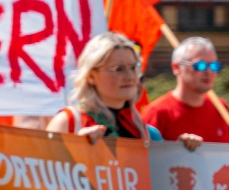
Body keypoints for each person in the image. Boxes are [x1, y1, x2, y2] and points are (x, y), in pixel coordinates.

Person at [48, 32, 202, 149]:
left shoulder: (148, 134)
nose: (130, 77)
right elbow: (39, 182)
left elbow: (161, 183)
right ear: (91, 76)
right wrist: (74, 149)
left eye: (134, 68)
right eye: (119, 69)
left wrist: (183, 152)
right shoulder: (67, 123)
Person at [144, 36, 229, 143]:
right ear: (177, 67)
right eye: (200, 65)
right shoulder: (157, 113)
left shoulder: (221, 108)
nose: (208, 71)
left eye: (214, 66)